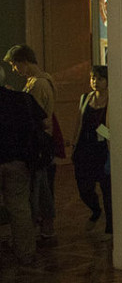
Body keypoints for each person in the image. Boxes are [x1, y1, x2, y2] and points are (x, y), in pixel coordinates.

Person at [4, 44, 59, 240]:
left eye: (14, 64)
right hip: (42, 141)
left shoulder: (37, 84)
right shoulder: (44, 79)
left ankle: (38, 228)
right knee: (42, 185)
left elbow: (32, 115)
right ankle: (45, 227)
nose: (14, 69)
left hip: (37, 142)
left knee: (38, 187)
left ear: (24, 62)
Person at [0, 66, 44, 265]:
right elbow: (41, 124)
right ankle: (25, 252)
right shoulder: (21, 99)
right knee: (19, 208)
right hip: (18, 160)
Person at [72, 65, 112, 240]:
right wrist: (74, 145)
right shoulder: (85, 98)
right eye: (93, 78)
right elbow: (78, 124)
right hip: (84, 149)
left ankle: (110, 228)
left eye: (100, 79)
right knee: (84, 187)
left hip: (103, 150)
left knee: (107, 190)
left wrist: (101, 131)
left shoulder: (113, 99)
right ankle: (95, 210)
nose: (95, 82)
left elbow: (114, 131)